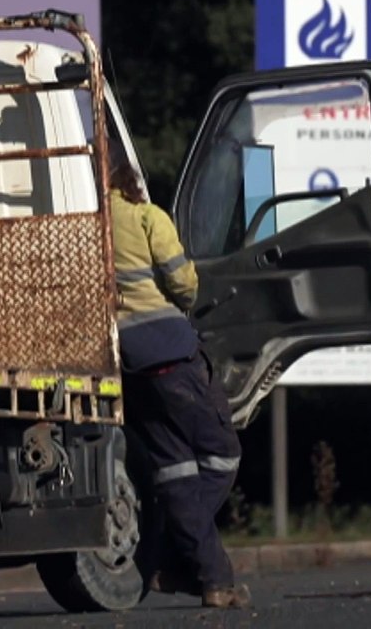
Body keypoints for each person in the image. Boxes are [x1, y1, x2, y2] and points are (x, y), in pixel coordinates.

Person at [107, 158, 250, 609]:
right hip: (171, 352)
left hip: (125, 365)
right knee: (223, 454)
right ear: (130, 183)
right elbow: (183, 283)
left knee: (174, 471)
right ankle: (178, 560)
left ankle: (210, 577)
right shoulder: (146, 217)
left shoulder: (81, 228)